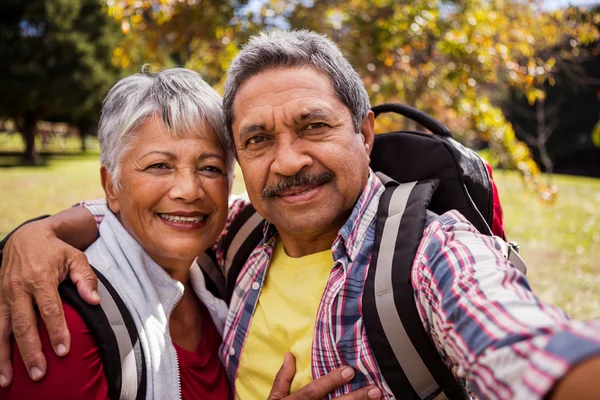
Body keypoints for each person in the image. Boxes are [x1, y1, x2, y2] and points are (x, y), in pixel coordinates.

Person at [1, 30, 600, 399]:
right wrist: (36, 232)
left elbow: (512, 336)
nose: (287, 162)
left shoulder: (429, 251)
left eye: (313, 126)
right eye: (258, 140)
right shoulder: (240, 238)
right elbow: (151, 215)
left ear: (364, 133)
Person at [0, 67, 381, 400]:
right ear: (111, 185)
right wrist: (35, 233)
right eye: (160, 166)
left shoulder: (225, 272)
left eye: (211, 168)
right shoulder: (64, 317)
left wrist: (44, 229)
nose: (189, 190)